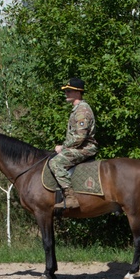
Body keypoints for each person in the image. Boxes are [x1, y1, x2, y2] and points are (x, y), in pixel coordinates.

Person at [49, 77, 98, 210]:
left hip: (85, 148)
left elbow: (80, 137)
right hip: (80, 146)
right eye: (66, 91)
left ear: (78, 92)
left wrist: (63, 147)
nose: (66, 93)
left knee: (55, 163)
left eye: (69, 91)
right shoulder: (77, 109)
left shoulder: (82, 110)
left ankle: (71, 197)